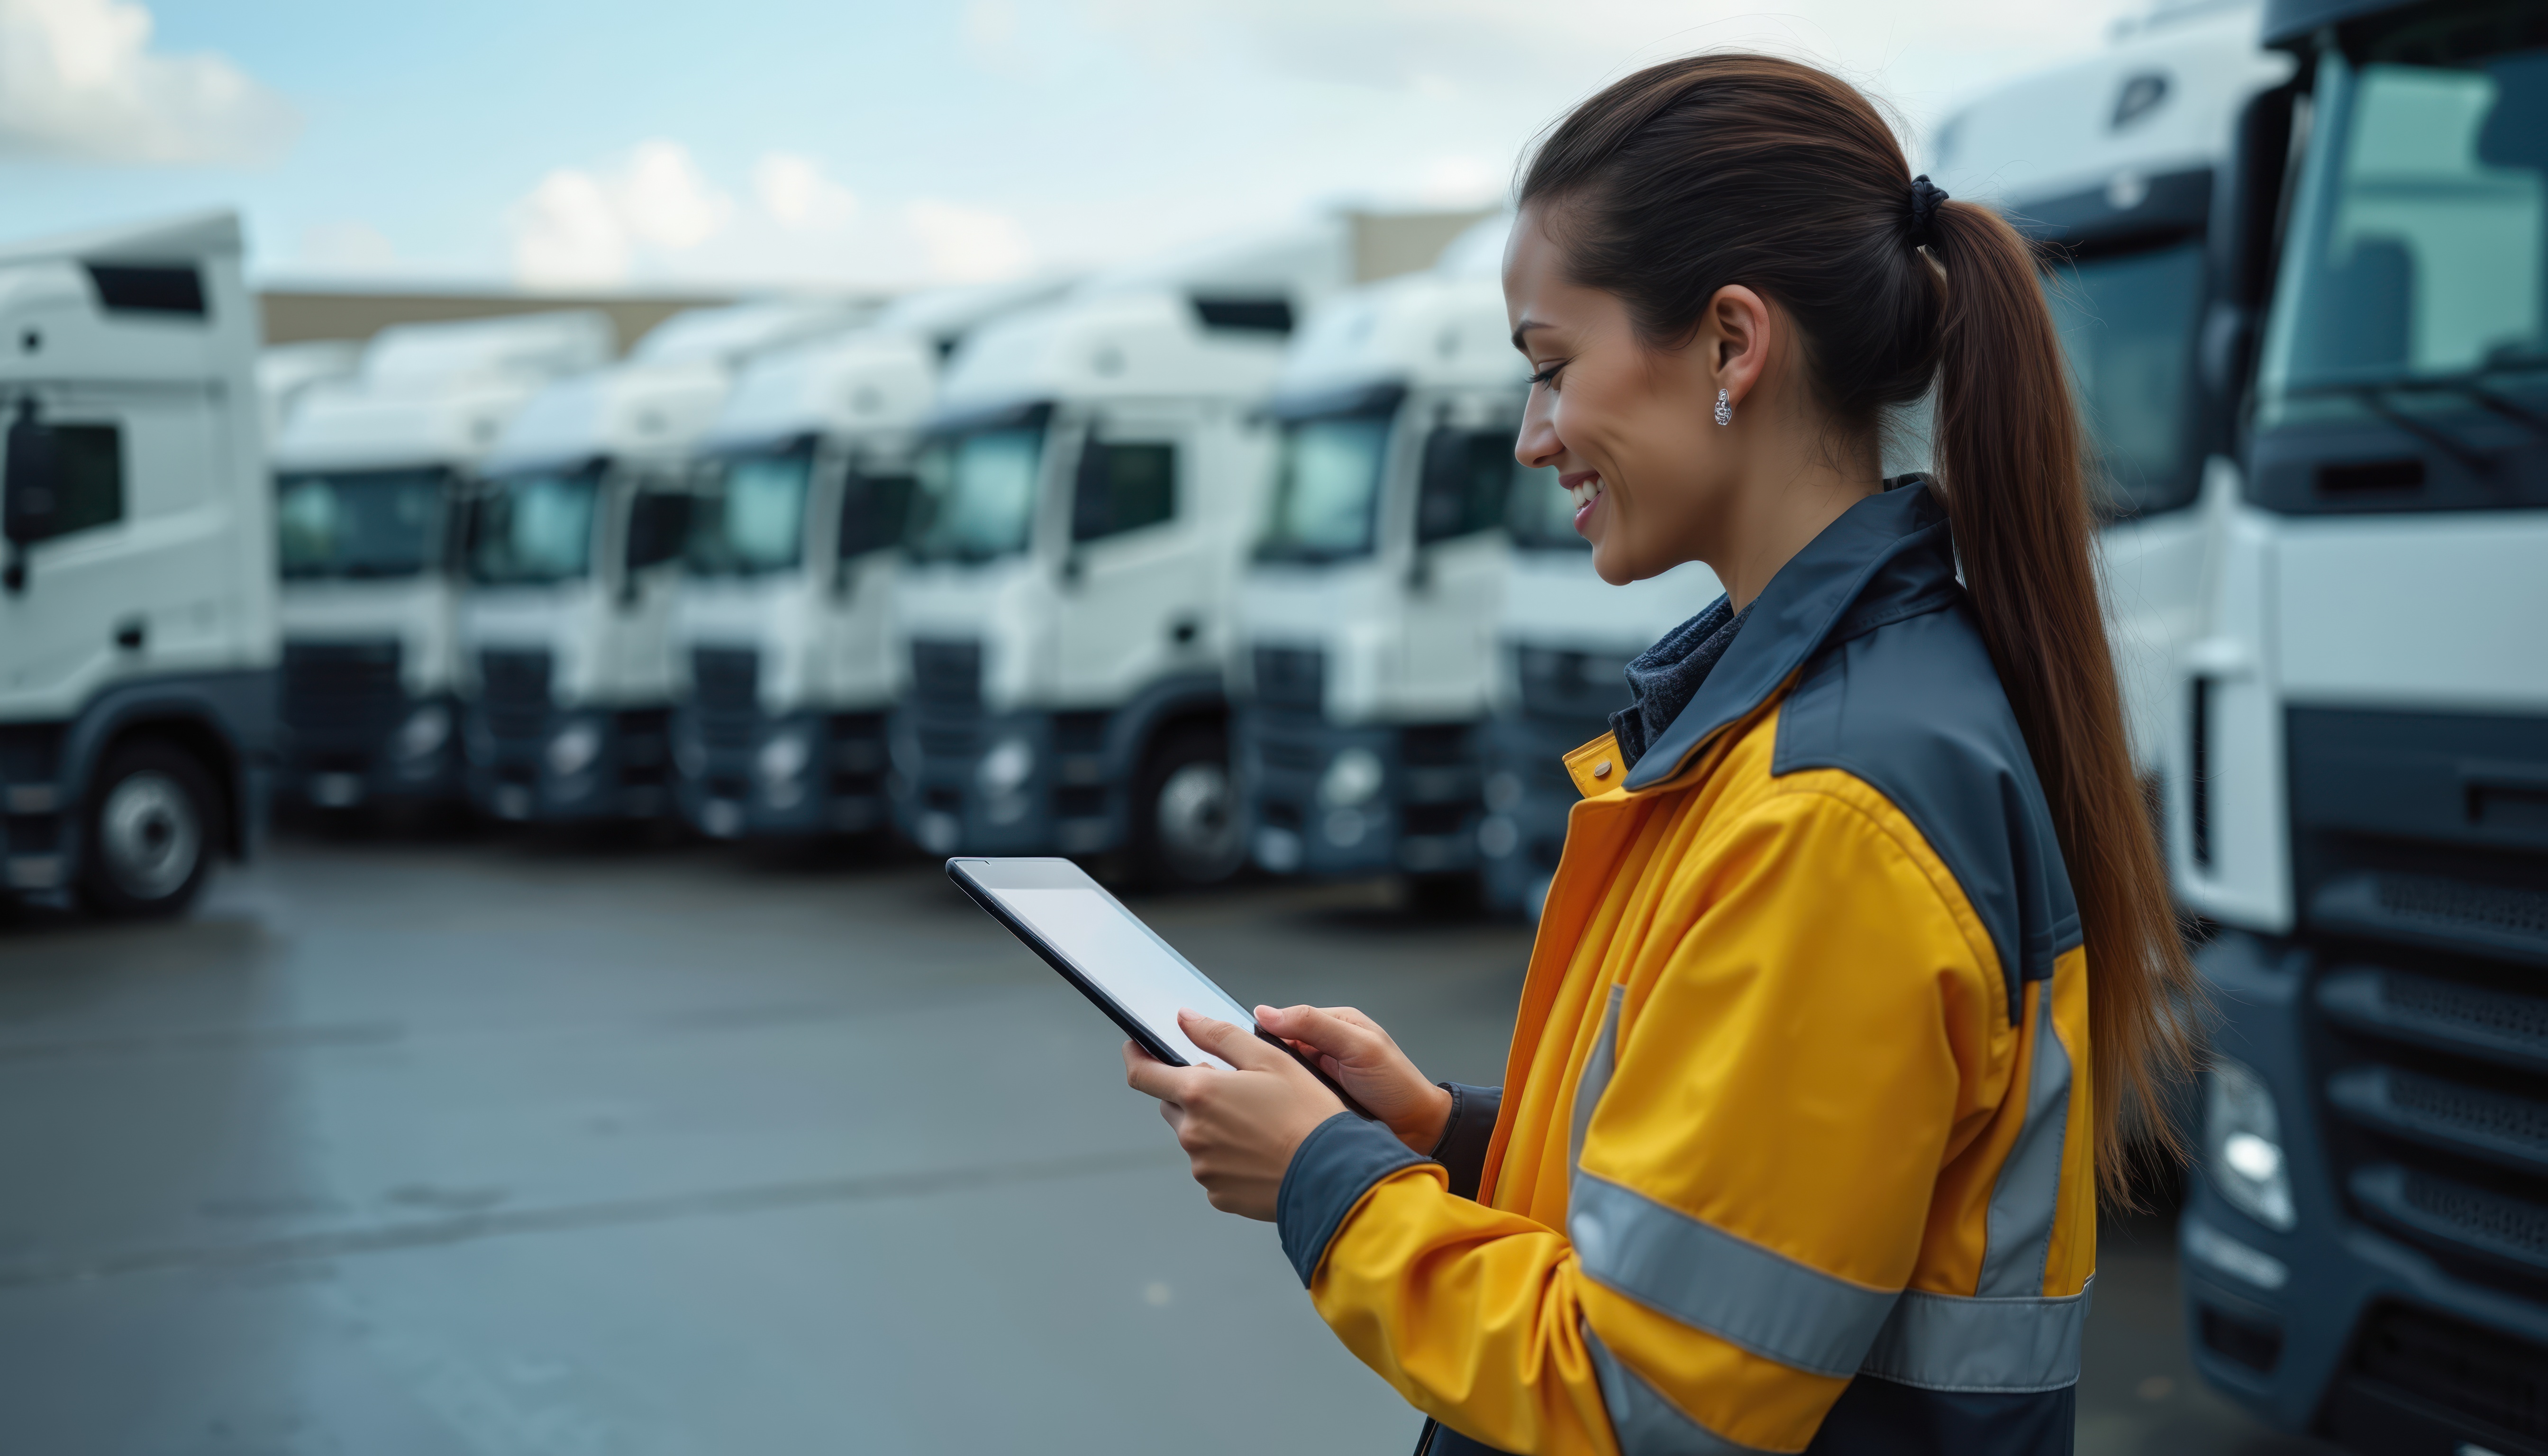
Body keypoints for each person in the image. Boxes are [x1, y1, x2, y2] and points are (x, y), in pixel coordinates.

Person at [1122, 53, 2197, 1456]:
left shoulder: (1833, 810)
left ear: (1733, 346)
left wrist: (1331, 1182)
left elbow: (1646, 1400)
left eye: (1554, 368)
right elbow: (1740, 1209)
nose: (1533, 437)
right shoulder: (1795, 734)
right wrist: (1441, 1132)